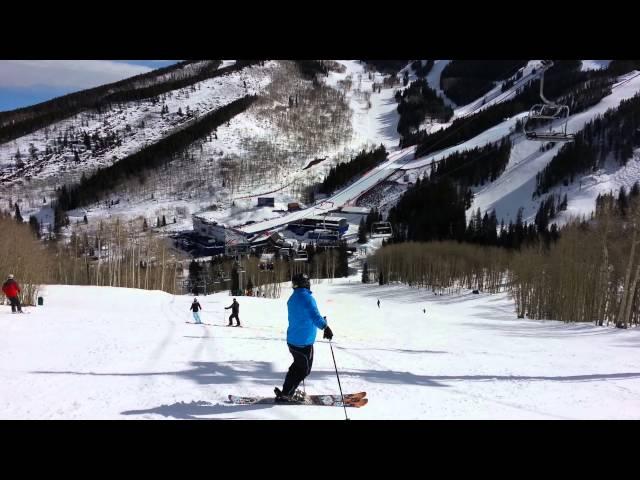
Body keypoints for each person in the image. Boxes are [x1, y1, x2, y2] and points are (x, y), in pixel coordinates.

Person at [274, 273, 333, 403]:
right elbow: (314, 315)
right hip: (303, 343)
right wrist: (325, 327)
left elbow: (303, 316)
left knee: (297, 366)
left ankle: (286, 390)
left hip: (292, 341)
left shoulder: (293, 298)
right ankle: (287, 394)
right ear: (305, 283)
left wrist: (319, 322)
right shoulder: (307, 298)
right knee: (304, 370)